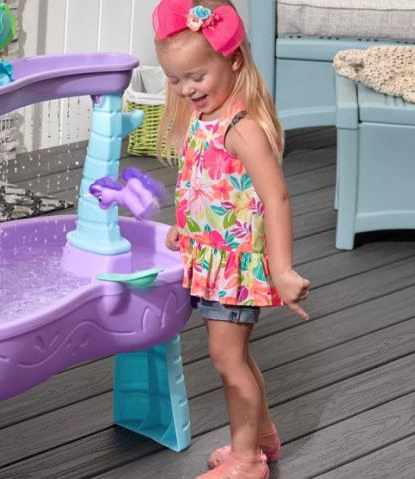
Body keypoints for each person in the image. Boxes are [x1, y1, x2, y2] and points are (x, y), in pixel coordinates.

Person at [152, 1, 311, 478]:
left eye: (196, 77)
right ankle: (261, 437)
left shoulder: (242, 128)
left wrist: (281, 269)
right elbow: (207, 183)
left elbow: (275, 198)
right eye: (176, 80)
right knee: (233, 356)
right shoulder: (203, 119)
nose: (186, 89)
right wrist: (189, 224)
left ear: (233, 60)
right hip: (211, 257)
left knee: (227, 360)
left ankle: (246, 462)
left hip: (236, 265)